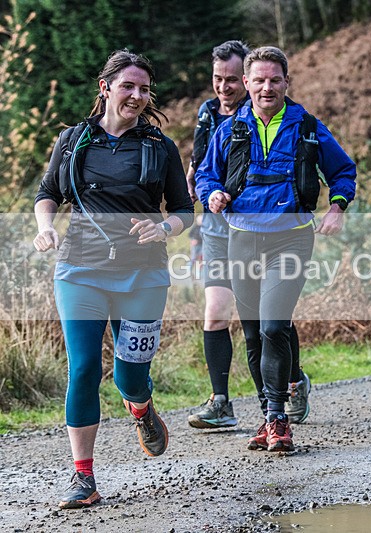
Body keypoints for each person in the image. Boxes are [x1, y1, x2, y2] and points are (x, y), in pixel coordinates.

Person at [32, 50, 194, 509]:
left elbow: (185, 211)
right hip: (80, 269)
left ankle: (140, 408)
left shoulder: (159, 147)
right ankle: (83, 477)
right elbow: (48, 194)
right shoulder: (73, 140)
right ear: (105, 87)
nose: (138, 96)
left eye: (144, 89)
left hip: (143, 275)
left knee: (131, 376)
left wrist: (164, 228)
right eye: (128, 86)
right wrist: (45, 227)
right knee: (82, 370)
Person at [195, 46, 356, 452]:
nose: (268, 87)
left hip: (291, 236)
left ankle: (280, 418)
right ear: (246, 83)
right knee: (252, 334)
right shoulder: (229, 128)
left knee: (272, 326)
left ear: (287, 82)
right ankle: (269, 418)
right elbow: (205, 175)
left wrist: (337, 209)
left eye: (275, 80)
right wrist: (212, 194)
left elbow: (342, 171)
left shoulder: (306, 125)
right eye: (260, 80)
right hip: (241, 237)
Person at [185, 41, 311, 430]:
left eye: (230, 80)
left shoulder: (286, 120)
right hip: (220, 230)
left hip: (272, 230)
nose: (224, 87)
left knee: (273, 321)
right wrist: (198, 228)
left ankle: (290, 383)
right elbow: (201, 175)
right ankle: (225, 401)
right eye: (217, 80)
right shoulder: (209, 118)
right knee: (221, 314)